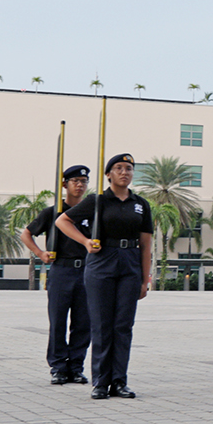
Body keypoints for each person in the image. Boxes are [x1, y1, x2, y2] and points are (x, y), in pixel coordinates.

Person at [54, 153, 153, 399]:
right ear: (108, 174)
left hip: (130, 262)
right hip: (102, 262)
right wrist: (86, 241)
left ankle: (119, 380)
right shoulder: (97, 201)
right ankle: (100, 381)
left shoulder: (140, 204)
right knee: (101, 324)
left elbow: (146, 243)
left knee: (123, 326)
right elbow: (63, 221)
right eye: (118, 168)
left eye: (129, 168)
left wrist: (145, 278)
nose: (124, 172)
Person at [20, 164, 92, 385]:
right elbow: (26, 233)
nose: (80, 185)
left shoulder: (92, 212)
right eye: (75, 181)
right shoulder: (53, 213)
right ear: (65, 185)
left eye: (83, 181)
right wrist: (40, 253)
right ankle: (58, 367)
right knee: (58, 320)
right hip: (62, 269)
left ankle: (76, 367)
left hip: (87, 271)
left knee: (83, 323)